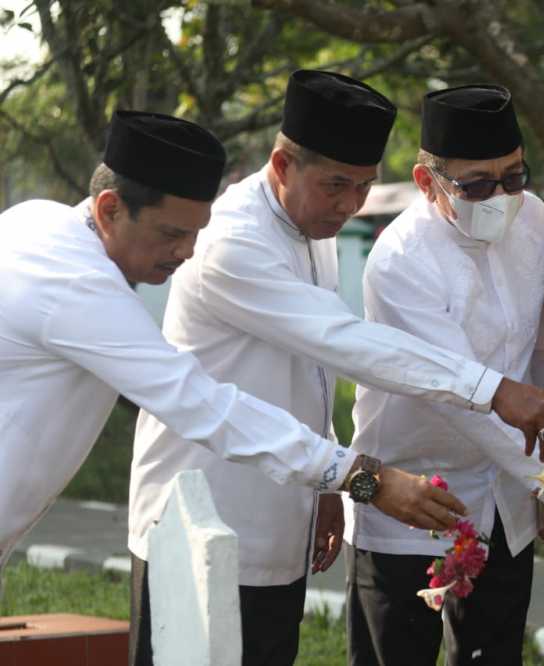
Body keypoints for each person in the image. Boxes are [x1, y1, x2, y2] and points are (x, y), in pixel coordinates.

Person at [127, 71, 544, 666]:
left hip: (285, 499)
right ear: (282, 165)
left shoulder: (309, 224)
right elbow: (343, 342)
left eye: (363, 186)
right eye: (336, 185)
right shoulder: (233, 241)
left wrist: (325, 483)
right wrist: (491, 391)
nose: (350, 205)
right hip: (201, 506)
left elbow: (307, 376)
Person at [0, 111, 461, 600]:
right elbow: (202, 403)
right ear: (111, 209)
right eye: (171, 234)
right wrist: (362, 477)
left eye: (196, 232)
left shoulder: (36, 220)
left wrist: (326, 483)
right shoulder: (77, 284)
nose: (187, 252)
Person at [343, 84, 544, 666]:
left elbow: (543, 354)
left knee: (494, 655)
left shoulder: (532, 218)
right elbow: (461, 396)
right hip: (413, 501)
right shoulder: (401, 261)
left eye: (513, 176)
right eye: (478, 185)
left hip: (507, 496)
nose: (501, 196)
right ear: (428, 181)